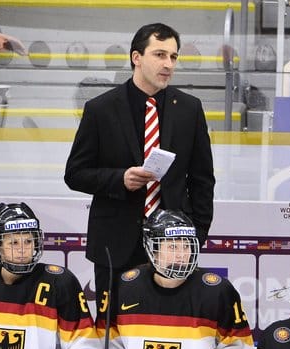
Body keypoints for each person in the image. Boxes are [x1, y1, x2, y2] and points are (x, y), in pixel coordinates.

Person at [64, 23, 215, 308]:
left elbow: (203, 179)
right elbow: (75, 174)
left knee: (167, 329)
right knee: (116, 335)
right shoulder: (100, 109)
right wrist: (119, 179)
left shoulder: (190, 109)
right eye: (160, 54)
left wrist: (195, 235)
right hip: (115, 243)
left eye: (173, 57)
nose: (168, 64)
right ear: (137, 57)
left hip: (173, 245)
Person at [0, 202, 101, 349]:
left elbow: (85, 348)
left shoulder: (60, 283)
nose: (22, 249)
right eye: (13, 242)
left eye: (28, 241)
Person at [104, 209, 254, 349]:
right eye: (173, 247)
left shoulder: (217, 292)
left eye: (186, 246)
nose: (181, 255)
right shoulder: (125, 288)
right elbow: (112, 347)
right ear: (152, 248)